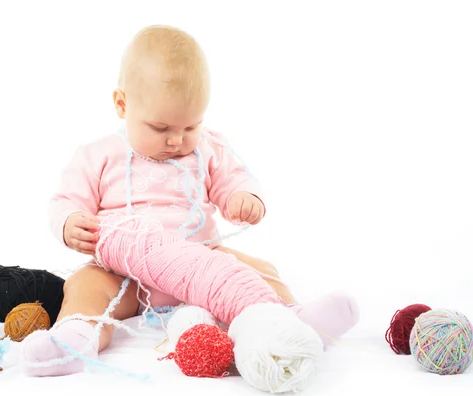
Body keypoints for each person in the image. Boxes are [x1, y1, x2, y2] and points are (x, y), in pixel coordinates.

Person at [23, 25, 359, 377]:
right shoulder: (98, 154)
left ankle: (291, 319)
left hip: (203, 264)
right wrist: (69, 222)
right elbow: (65, 199)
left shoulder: (208, 147)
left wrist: (243, 198)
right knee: (83, 286)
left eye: (190, 127)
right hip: (125, 275)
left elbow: (235, 179)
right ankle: (75, 338)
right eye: (160, 128)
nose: (176, 140)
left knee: (259, 270)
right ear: (122, 104)